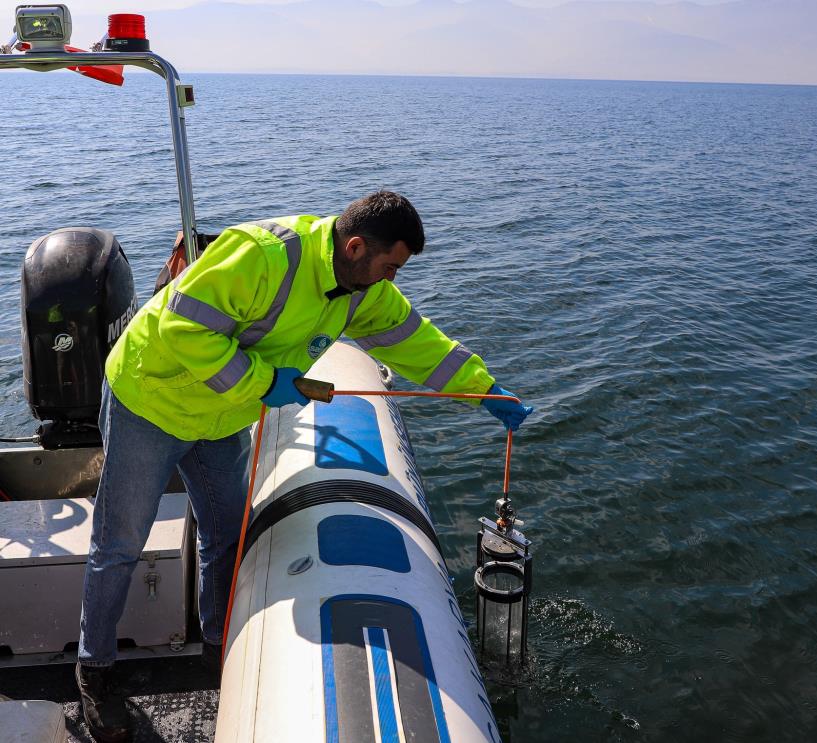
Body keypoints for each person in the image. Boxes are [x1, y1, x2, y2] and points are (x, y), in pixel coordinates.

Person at [75, 191, 533, 742]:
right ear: (357, 246)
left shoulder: (363, 291)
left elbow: (419, 342)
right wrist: (266, 383)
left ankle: (223, 646)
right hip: (153, 403)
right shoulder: (263, 256)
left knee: (226, 540)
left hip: (218, 419)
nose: (392, 280)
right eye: (390, 267)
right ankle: (94, 674)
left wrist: (485, 392)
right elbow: (181, 330)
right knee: (119, 546)